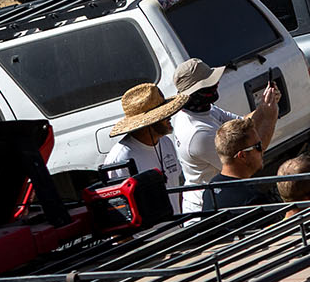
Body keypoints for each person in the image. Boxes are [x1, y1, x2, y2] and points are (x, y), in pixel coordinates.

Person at [168, 58, 279, 215]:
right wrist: (271, 114)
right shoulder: (198, 134)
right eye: (209, 83)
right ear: (196, 92)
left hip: (221, 197)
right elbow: (253, 155)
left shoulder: (202, 108)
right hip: (207, 209)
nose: (216, 84)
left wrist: (265, 105)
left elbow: (243, 124)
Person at [106, 83, 187, 224]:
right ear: (148, 124)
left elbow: (177, 188)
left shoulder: (166, 142)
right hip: (149, 236)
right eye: (163, 115)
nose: (169, 117)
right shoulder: (120, 158)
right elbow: (119, 212)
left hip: (176, 229)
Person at [208, 117, 272, 212]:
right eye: (258, 146)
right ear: (242, 156)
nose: (262, 149)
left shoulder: (210, 188)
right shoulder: (253, 200)